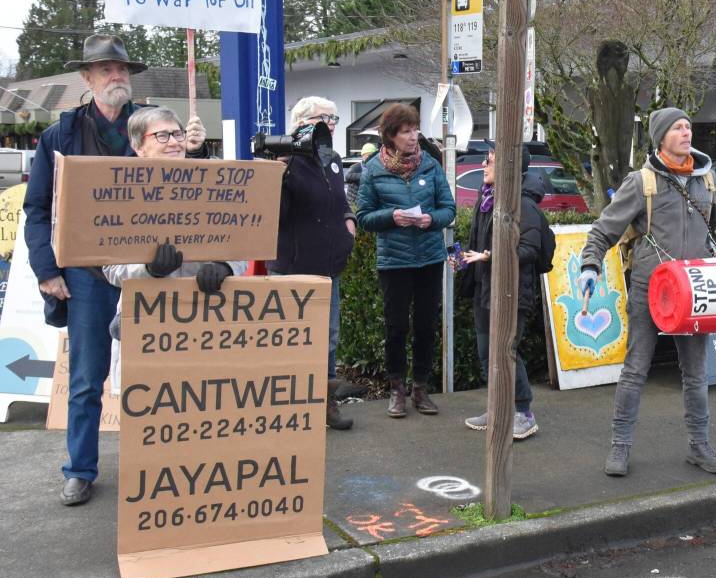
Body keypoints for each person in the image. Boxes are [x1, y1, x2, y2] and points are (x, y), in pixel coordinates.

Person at [23, 34, 208, 506]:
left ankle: (158, 466)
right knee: (87, 378)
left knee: (157, 378)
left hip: (150, 275)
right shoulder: (59, 135)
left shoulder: (153, 128)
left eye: (122, 70)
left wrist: (196, 151)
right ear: (87, 78)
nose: (117, 77)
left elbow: (192, 189)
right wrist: (47, 269)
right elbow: (39, 208)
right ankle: (80, 469)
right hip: (85, 274)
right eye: (106, 70)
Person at [578, 107, 716, 477]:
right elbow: (603, 230)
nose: (687, 132)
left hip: (696, 290)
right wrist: (590, 266)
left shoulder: (706, 178)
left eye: (688, 126)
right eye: (678, 128)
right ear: (661, 137)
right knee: (635, 370)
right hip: (650, 290)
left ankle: (699, 446)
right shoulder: (642, 183)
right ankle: (620, 447)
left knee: (697, 374)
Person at [102, 107, 246, 344]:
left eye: (177, 134)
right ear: (139, 147)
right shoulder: (120, 195)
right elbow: (110, 266)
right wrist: (148, 270)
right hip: (145, 316)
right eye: (161, 136)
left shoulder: (215, 187)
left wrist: (226, 266)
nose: (174, 142)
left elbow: (243, 240)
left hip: (202, 316)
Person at [357, 103, 455, 417]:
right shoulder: (373, 168)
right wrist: (392, 216)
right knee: (396, 327)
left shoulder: (431, 165)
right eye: (405, 132)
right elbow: (363, 217)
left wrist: (432, 219)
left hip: (428, 258)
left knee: (426, 326)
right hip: (394, 262)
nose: (413, 137)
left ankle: (421, 389)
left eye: (415, 130)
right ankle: (396, 390)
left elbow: (449, 209)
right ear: (390, 136)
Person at [268, 96, 357, 431]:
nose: (331, 123)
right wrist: (277, 178)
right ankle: (289, 407)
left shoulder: (331, 159)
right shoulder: (287, 160)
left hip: (328, 265)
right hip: (293, 265)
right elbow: (276, 217)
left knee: (328, 338)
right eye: (325, 117)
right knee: (290, 339)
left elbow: (339, 201)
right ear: (302, 122)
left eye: (334, 117)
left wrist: (350, 218)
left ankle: (326, 402)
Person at [458, 144, 543, 440]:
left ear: (507, 168)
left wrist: (490, 257)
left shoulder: (524, 204)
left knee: (505, 351)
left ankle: (523, 413)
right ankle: (498, 409)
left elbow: (530, 249)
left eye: (490, 161)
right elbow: (480, 244)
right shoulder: (486, 200)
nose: (483, 165)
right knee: (486, 353)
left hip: (511, 292)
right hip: (485, 290)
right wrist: (462, 259)